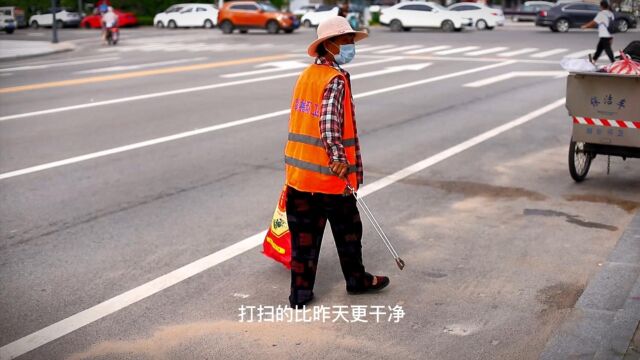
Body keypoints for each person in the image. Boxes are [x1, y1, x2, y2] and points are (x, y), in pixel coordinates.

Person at [284, 16, 390, 309]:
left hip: (299, 177)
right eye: (346, 42)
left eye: (351, 42)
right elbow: (329, 123)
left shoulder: (307, 76)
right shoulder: (334, 80)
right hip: (331, 180)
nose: (350, 47)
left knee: (304, 241)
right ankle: (356, 281)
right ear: (328, 45)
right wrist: (338, 158)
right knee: (348, 233)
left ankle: (300, 295)